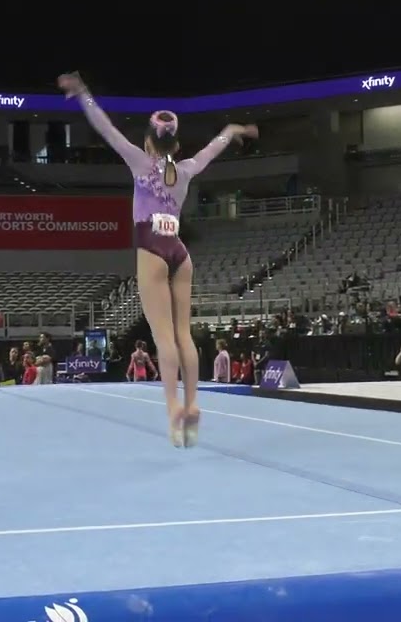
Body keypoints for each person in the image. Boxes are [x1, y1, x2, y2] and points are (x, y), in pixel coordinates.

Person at [60, 71, 257, 446]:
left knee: (163, 338)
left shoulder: (139, 162)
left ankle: (173, 410)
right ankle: (194, 402)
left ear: (148, 144)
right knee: (184, 335)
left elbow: (104, 127)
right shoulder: (185, 169)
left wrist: (83, 91)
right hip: (179, 251)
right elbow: (215, 146)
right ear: (176, 146)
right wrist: (234, 130)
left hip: (151, 247)